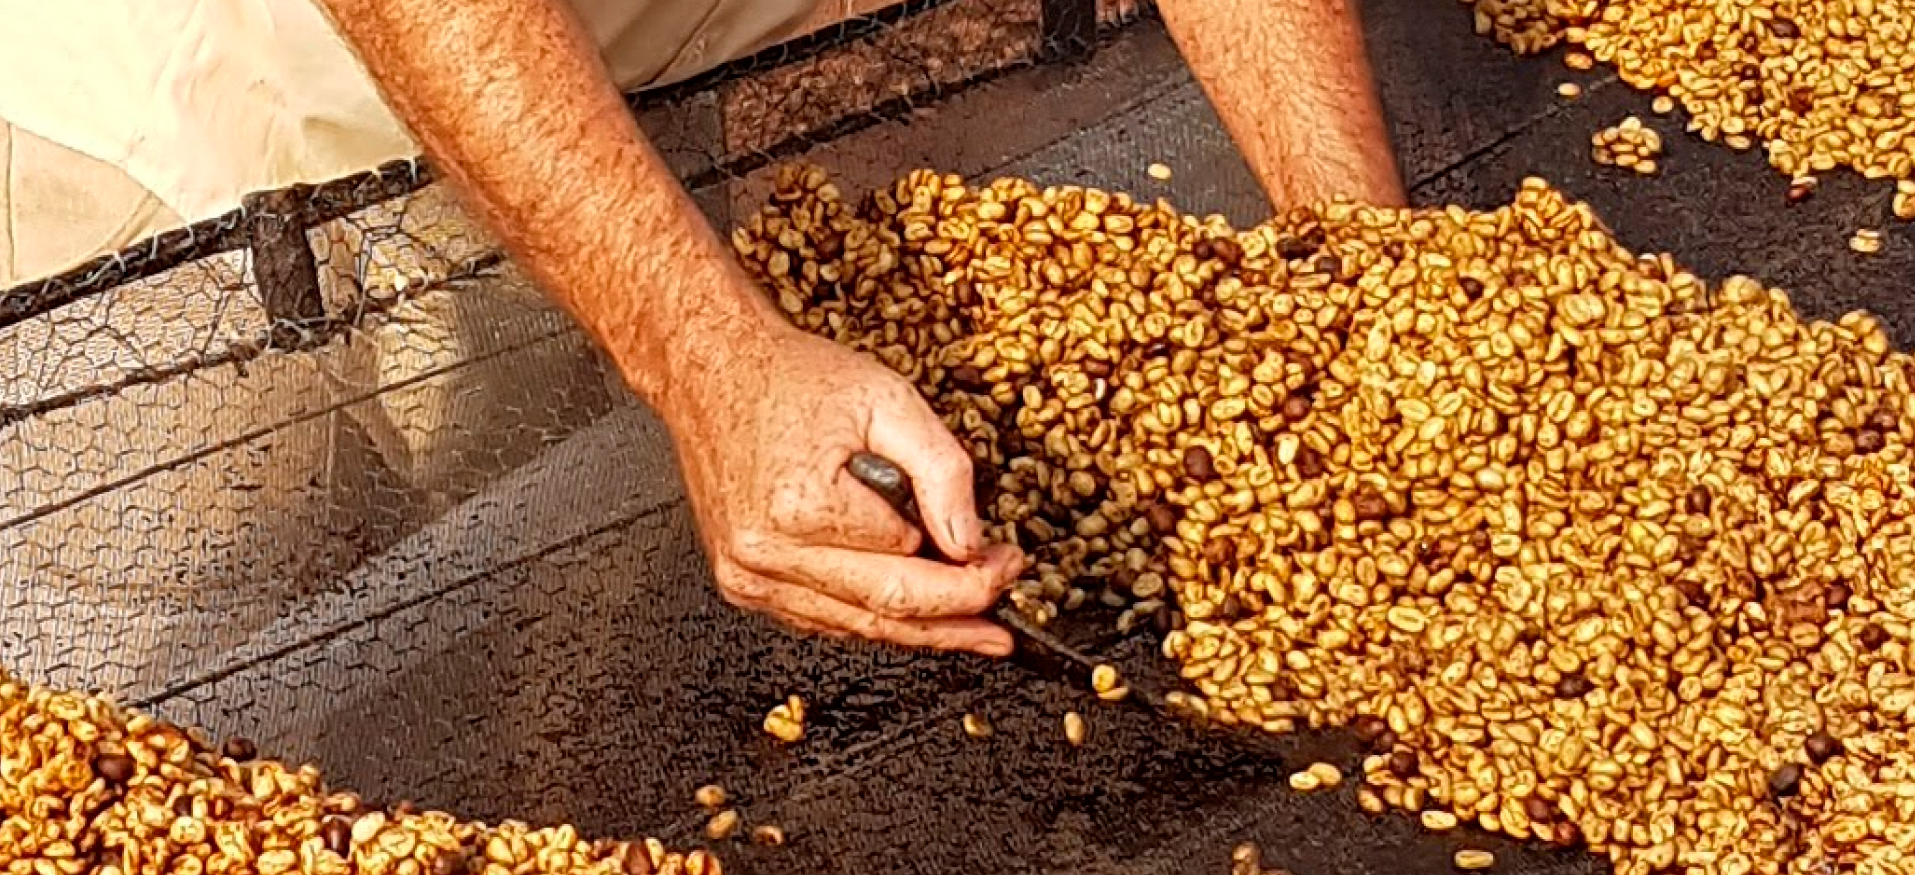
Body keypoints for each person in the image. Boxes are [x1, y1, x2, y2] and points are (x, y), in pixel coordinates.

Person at [0, 0, 1403, 657]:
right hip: (201, 124)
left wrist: (1373, 282)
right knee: (236, 669)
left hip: (597, 61)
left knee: (539, 590)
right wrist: (706, 348)